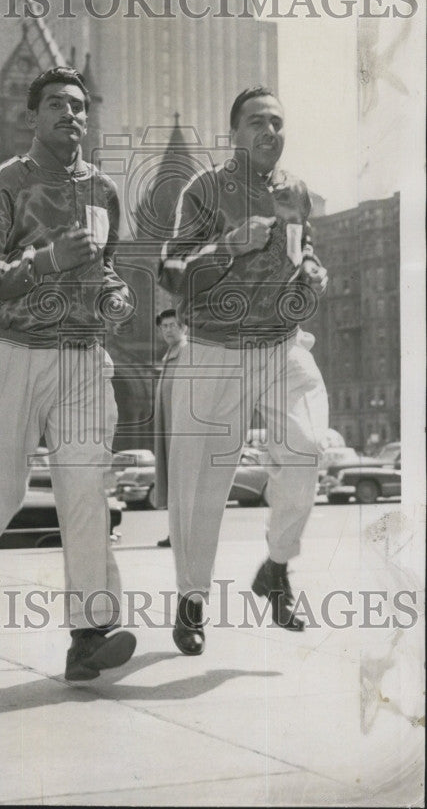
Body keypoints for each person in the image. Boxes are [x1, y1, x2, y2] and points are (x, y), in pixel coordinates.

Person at [0, 66, 137, 682]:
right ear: (31, 118)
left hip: (83, 356)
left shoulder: (105, 192)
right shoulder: (5, 184)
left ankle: (88, 636)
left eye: (80, 105)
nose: (71, 114)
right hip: (14, 352)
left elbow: (105, 268)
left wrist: (114, 296)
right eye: (56, 104)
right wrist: (45, 260)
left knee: (85, 493)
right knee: (2, 493)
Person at [158, 86, 329, 655]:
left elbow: (305, 258)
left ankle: (275, 569)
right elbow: (171, 270)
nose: (271, 132)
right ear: (234, 133)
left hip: (280, 344)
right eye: (258, 122)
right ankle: (191, 601)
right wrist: (227, 247)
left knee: (307, 448)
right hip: (215, 348)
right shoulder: (205, 190)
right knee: (202, 484)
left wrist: (312, 277)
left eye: (278, 122)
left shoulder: (297, 192)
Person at [151, 308, 188, 548]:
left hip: (181, 429)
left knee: (183, 481)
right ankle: (175, 532)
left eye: (172, 325)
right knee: (173, 480)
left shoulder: (187, 352)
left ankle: (184, 533)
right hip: (168, 428)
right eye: (164, 326)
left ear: (183, 327)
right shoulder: (170, 353)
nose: (167, 330)